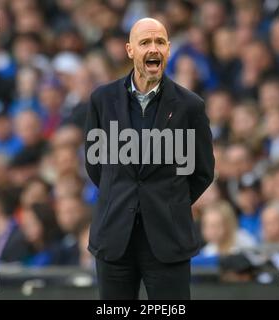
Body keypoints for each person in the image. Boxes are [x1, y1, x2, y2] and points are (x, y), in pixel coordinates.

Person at [85, 18, 214, 300]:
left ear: (168, 50)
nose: (153, 48)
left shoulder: (191, 106)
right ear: (130, 50)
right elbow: (95, 165)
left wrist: (169, 201)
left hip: (169, 238)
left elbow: (202, 172)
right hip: (114, 236)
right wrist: (125, 196)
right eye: (145, 42)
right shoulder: (102, 100)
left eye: (159, 42)